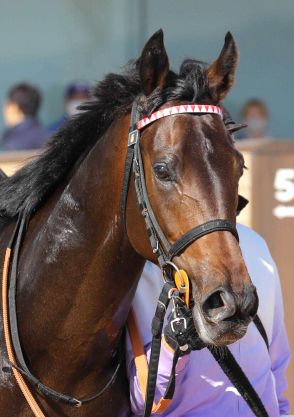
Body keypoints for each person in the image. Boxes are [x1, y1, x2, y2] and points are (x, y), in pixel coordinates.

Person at [126, 224, 291, 417]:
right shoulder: (142, 268)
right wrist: (172, 345)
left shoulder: (256, 245)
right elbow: (143, 402)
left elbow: (276, 367)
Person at [1, 83, 48, 150]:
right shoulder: (48, 137)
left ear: (14, 108)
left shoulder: (13, 142)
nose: (4, 111)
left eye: (7, 105)